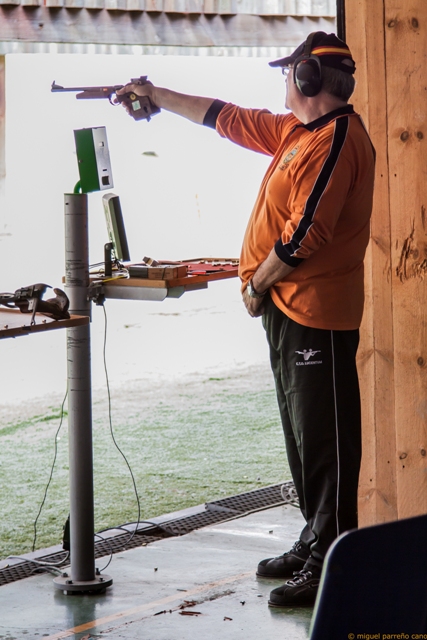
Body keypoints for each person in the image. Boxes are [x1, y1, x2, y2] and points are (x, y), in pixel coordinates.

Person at [117, 31, 375, 608]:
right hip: (290, 307)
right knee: (303, 434)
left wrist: (257, 283)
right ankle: (314, 539)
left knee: (326, 440)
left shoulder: (335, 140)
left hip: (316, 312)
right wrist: (156, 95)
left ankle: (331, 562)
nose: (284, 81)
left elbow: (307, 234)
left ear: (308, 78)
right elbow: (226, 117)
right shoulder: (296, 132)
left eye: (289, 72)